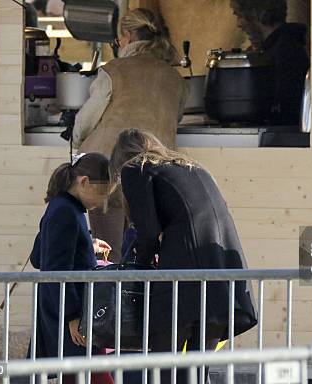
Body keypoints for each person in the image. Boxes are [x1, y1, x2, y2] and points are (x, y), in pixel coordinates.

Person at [109, 129, 258, 383]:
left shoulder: (136, 168)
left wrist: (133, 272)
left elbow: (148, 231)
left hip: (183, 278)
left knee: (163, 368)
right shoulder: (194, 167)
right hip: (223, 276)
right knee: (198, 371)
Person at [72, 8, 188, 262]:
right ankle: (135, 302)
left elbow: (86, 120)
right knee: (142, 253)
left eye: (119, 40)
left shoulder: (114, 70)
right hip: (154, 171)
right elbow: (176, 117)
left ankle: (105, 301)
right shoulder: (175, 78)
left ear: (127, 35)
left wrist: (75, 148)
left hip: (105, 168)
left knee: (106, 252)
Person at [28, 153, 113, 384]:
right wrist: (73, 316)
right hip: (68, 316)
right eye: (102, 193)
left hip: (58, 311)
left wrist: (87, 246)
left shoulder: (60, 207)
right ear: (84, 182)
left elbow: (39, 257)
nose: (101, 203)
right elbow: (56, 269)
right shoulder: (66, 212)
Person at [230, 0, 310, 125]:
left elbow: (285, 111)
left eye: (240, 16)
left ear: (255, 13)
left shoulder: (286, 51)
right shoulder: (278, 48)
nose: (238, 24)